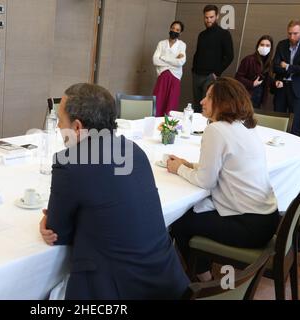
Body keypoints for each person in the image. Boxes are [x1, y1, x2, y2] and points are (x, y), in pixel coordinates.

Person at [39, 83, 189, 299]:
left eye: (60, 121)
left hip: (116, 291)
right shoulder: (135, 151)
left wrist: (46, 222)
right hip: (166, 284)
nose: (58, 128)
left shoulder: (70, 162)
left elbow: (58, 234)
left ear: (77, 128)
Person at [167, 77, 279, 282]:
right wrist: (189, 164)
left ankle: (205, 282)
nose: (202, 101)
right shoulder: (245, 126)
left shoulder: (216, 129)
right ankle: (201, 271)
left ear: (223, 101)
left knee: (180, 222)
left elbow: (206, 181)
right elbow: (224, 168)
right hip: (268, 219)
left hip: (249, 225)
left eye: (209, 97)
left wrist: (179, 168)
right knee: (193, 213)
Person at [192, 5, 234, 109]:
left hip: (210, 77)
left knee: (207, 106)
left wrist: (216, 73)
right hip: (196, 75)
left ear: (217, 16)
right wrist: (193, 70)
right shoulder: (201, 34)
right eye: (206, 17)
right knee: (197, 106)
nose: (208, 20)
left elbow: (230, 56)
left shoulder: (224, 34)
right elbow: (198, 53)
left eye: (211, 17)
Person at [273, 19, 300, 137]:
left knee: (294, 128)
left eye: (295, 33)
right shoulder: (282, 44)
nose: (291, 36)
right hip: (281, 87)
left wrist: (286, 66)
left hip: (298, 91)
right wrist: (296, 67)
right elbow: (275, 66)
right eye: (289, 33)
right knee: (276, 124)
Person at [152, 20, 186, 117]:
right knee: (157, 104)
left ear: (180, 32)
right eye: (173, 28)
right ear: (170, 29)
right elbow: (155, 60)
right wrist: (173, 60)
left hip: (175, 79)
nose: (174, 31)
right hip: (162, 77)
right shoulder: (161, 44)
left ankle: (168, 129)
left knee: (171, 107)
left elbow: (180, 62)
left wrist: (163, 58)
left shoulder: (182, 45)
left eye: (177, 30)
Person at [235, 35, 274, 109]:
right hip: (247, 95)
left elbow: (268, 80)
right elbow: (238, 77)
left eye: (267, 45)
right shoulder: (249, 59)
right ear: (258, 46)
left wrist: (275, 82)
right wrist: (252, 83)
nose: (264, 47)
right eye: (262, 45)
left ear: (271, 48)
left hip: (259, 97)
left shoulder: (270, 63)